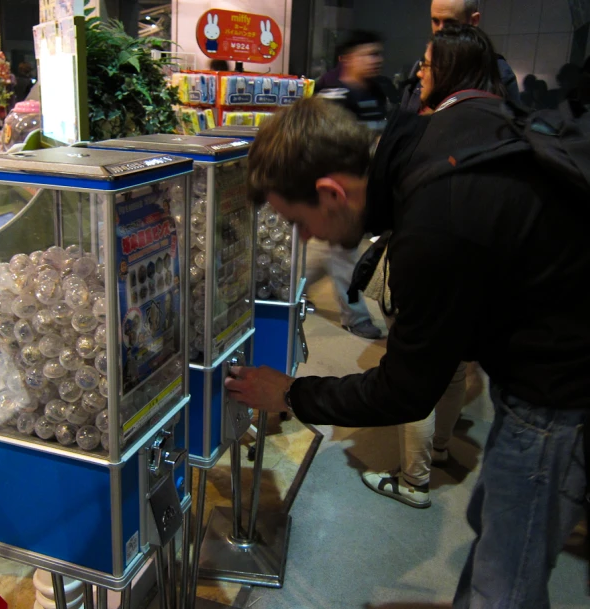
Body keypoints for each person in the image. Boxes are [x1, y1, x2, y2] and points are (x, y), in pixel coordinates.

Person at [226, 24, 590, 608]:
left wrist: (293, 394)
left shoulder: (433, 224)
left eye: (297, 221)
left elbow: (405, 390)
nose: (304, 238)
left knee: (507, 576)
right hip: (549, 353)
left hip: (560, 385)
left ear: (331, 192)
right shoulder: (423, 136)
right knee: (495, 518)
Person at [359, 22, 510, 509]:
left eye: (425, 64)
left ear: (446, 70)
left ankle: (413, 479)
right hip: (485, 279)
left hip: (426, 270)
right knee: (453, 369)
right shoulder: (507, 120)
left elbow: (383, 205)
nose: (418, 73)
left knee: (413, 372)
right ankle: (440, 450)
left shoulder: (423, 125)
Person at [308, 30, 387, 340]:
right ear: (349, 58)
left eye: (378, 54)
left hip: (361, 188)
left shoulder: (376, 92)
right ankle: (355, 317)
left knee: (325, 253)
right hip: (336, 189)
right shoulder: (332, 91)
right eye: (370, 54)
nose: (376, 60)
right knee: (343, 252)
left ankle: (287, 291)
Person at [401, 0, 520, 113]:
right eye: (435, 21)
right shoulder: (421, 67)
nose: (440, 31)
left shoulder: (498, 72)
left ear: (474, 21)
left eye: (450, 23)